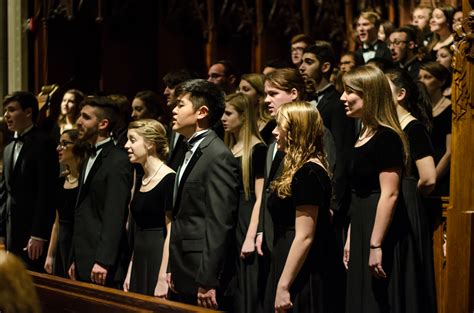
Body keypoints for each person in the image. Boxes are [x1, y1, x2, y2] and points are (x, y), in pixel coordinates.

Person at [341, 65, 416, 313]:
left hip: (381, 227)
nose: (343, 97)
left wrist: (375, 244)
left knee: (379, 300)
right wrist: (352, 237)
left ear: (369, 94)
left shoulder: (387, 137)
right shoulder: (363, 133)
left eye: (349, 91)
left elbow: (390, 194)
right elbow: (358, 192)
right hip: (362, 221)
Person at [263, 101, 343, 313]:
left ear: (295, 130)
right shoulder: (301, 169)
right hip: (289, 257)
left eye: (279, 126)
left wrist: (283, 285)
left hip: (302, 269)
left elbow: (305, 236)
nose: (274, 132)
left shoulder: (308, 173)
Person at [168, 79, 239, 310]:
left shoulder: (218, 155)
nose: (174, 110)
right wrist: (172, 266)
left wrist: (208, 279)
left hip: (200, 271)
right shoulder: (190, 148)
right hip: (183, 265)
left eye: (180, 105)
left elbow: (219, 222)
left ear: (202, 112)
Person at [386, 68, 437, 313]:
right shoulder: (389, 128)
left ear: (401, 94)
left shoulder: (414, 128)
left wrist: (408, 192)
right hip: (395, 201)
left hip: (408, 202)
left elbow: (428, 177)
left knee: (408, 272)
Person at [68, 96, 133, 288]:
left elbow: (115, 214)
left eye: (86, 117)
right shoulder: (89, 155)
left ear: (103, 124)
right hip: (83, 256)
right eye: (80, 116)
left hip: (102, 263)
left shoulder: (118, 160)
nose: (78, 121)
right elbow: (81, 210)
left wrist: (103, 261)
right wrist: (75, 257)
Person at [300, 42, 355, 255]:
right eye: (302, 61)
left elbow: (341, 152)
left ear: (325, 67)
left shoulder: (336, 103)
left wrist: (335, 201)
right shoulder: (307, 99)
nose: (302, 67)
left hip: (329, 191)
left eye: (309, 62)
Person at [0, 91, 59, 272]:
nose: (6, 116)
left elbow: (46, 192)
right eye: (5, 111)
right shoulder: (9, 147)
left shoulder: (44, 143)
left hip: (33, 233)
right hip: (12, 232)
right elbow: (6, 193)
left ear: (28, 112)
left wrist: (39, 234)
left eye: (11, 110)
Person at [222, 93, 266, 312]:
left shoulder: (257, 149)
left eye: (228, 113)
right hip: (230, 219)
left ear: (244, 116)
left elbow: (260, 197)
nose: (223, 118)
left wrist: (250, 236)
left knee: (248, 285)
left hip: (247, 219)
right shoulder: (228, 149)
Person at [123, 119, 175, 297]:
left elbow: (171, 230)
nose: (126, 145)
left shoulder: (169, 179)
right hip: (140, 257)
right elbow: (138, 230)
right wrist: (131, 269)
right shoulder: (141, 178)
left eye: (132, 140)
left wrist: (162, 276)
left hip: (158, 255)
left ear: (150, 144)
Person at [44, 129, 88, 277]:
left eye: (64, 144)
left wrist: (78, 258)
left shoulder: (86, 183)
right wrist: (50, 255)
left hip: (78, 244)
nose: (58, 148)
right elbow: (56, 223)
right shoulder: (61, 181)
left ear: (77, 147)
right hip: (61, 243)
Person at [418, 61, 452, 196]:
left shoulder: (450, 110)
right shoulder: (420, 109)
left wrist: (433, 179)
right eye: (420, 77)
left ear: (441, 81)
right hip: (422, 174)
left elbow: (450, 152)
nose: (422, 82)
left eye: (427, 77)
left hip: (440, 175)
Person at [239, 73, 275, 144]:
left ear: (260, 96)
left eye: (245, 89)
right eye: (239, 89)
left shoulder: (272, 125)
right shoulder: (238, 121)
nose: (239, 93)